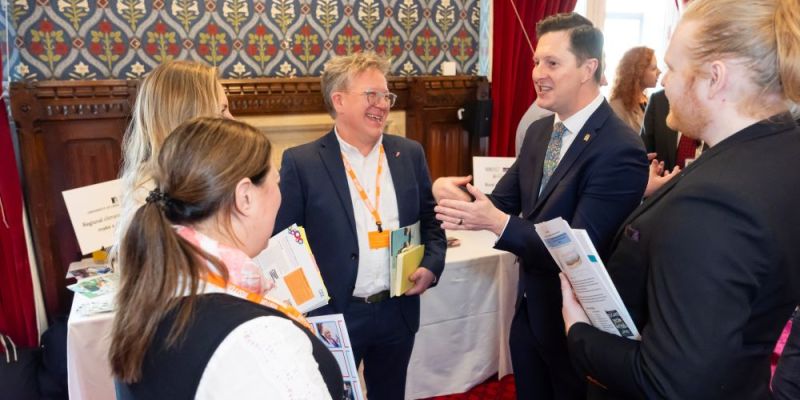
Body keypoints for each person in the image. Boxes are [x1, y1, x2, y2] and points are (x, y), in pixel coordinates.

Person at [560, 0, 800, 398]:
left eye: (672, 67)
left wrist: (580, 333)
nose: (662, 82)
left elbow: (670, 382)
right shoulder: (782, 149)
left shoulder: (714, 202)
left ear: (715, 77)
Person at [433, 13, 648, 400]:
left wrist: (497, 222)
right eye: (535, 61)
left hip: (578, 327)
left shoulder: (618, 148)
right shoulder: (538, 132)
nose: (537, 73)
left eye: (552, 63)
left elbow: (580, 251)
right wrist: (446, 192)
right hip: (530, 312)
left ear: (588, 69)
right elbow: (499, 202)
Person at [110, 118, 343, 399]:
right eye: (276, 181)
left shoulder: (155, 286)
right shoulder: (258, 338)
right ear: (245, 197)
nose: (279, 196)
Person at [275, 51, 446, 400]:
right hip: (335, 315)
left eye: (386, 96)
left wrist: (431, 265)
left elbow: (431, 222)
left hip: (396, 311)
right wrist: (310, 312)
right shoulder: (302, 162)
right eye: (371, 95)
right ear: (338, 100)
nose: (382, 105)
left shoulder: (409, 153)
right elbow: (285, 246)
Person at [117, 60, 234, 249]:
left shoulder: (194, 180)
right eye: (222, 111)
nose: (232, 120)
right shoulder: (156, 200)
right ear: (191, 119)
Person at [609, 46, 660, 132]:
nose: (659, 72)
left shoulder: (649, 102)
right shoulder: (616, 107)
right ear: (638, 72)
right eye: (654, 68)